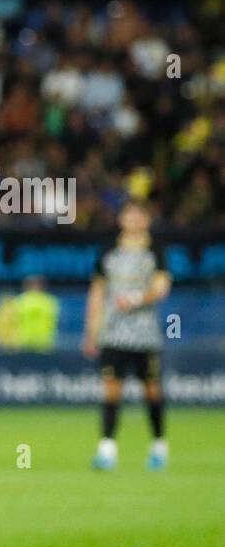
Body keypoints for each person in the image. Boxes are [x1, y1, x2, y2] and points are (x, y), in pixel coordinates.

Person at [82, 201, 172, 471]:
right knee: (111, 391)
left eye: (138, 215)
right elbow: (97, 292)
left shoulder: (155, 250)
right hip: (113, 332)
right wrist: (91, 330)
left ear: (146, 219)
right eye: (128, 214)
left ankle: (158, 445)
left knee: (152, 391)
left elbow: (161, 287)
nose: (133, 219)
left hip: (145, 334)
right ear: (121, 218)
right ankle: (107, 449)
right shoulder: (108, 251)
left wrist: (135, 299)